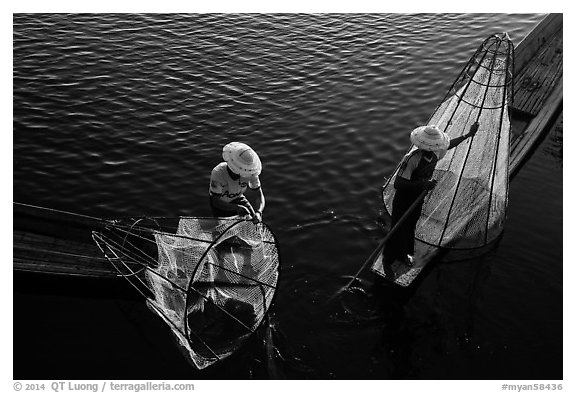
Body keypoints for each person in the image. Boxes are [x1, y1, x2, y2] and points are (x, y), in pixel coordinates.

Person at [383, 122, 479, 274]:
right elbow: (399, 183)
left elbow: (449, 145)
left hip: (417, 198)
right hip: (404, 198)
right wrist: (422, 184)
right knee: (397, 229)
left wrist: (468, 134)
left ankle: (403, 254)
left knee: (410, 226)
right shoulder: (412, 159)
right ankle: (387, 261)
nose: (435, 149)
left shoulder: (435, 153)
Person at [209, 142, 265, 223]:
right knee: (220, 227)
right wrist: (236, 208)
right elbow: (215, 201)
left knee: (254, 221)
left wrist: (259, 212)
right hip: (220, 202)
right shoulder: (218, 172)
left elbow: (259, 195)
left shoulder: (251, 173)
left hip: (238, 198)